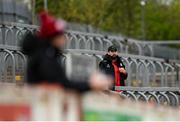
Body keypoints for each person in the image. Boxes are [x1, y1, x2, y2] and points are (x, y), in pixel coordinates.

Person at [21, 11, 111, 92]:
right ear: (53, 37)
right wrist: (90, 85)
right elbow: (63, 85)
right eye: (61, 35)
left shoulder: (47, 54)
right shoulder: (45, 57)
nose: (65, 38)